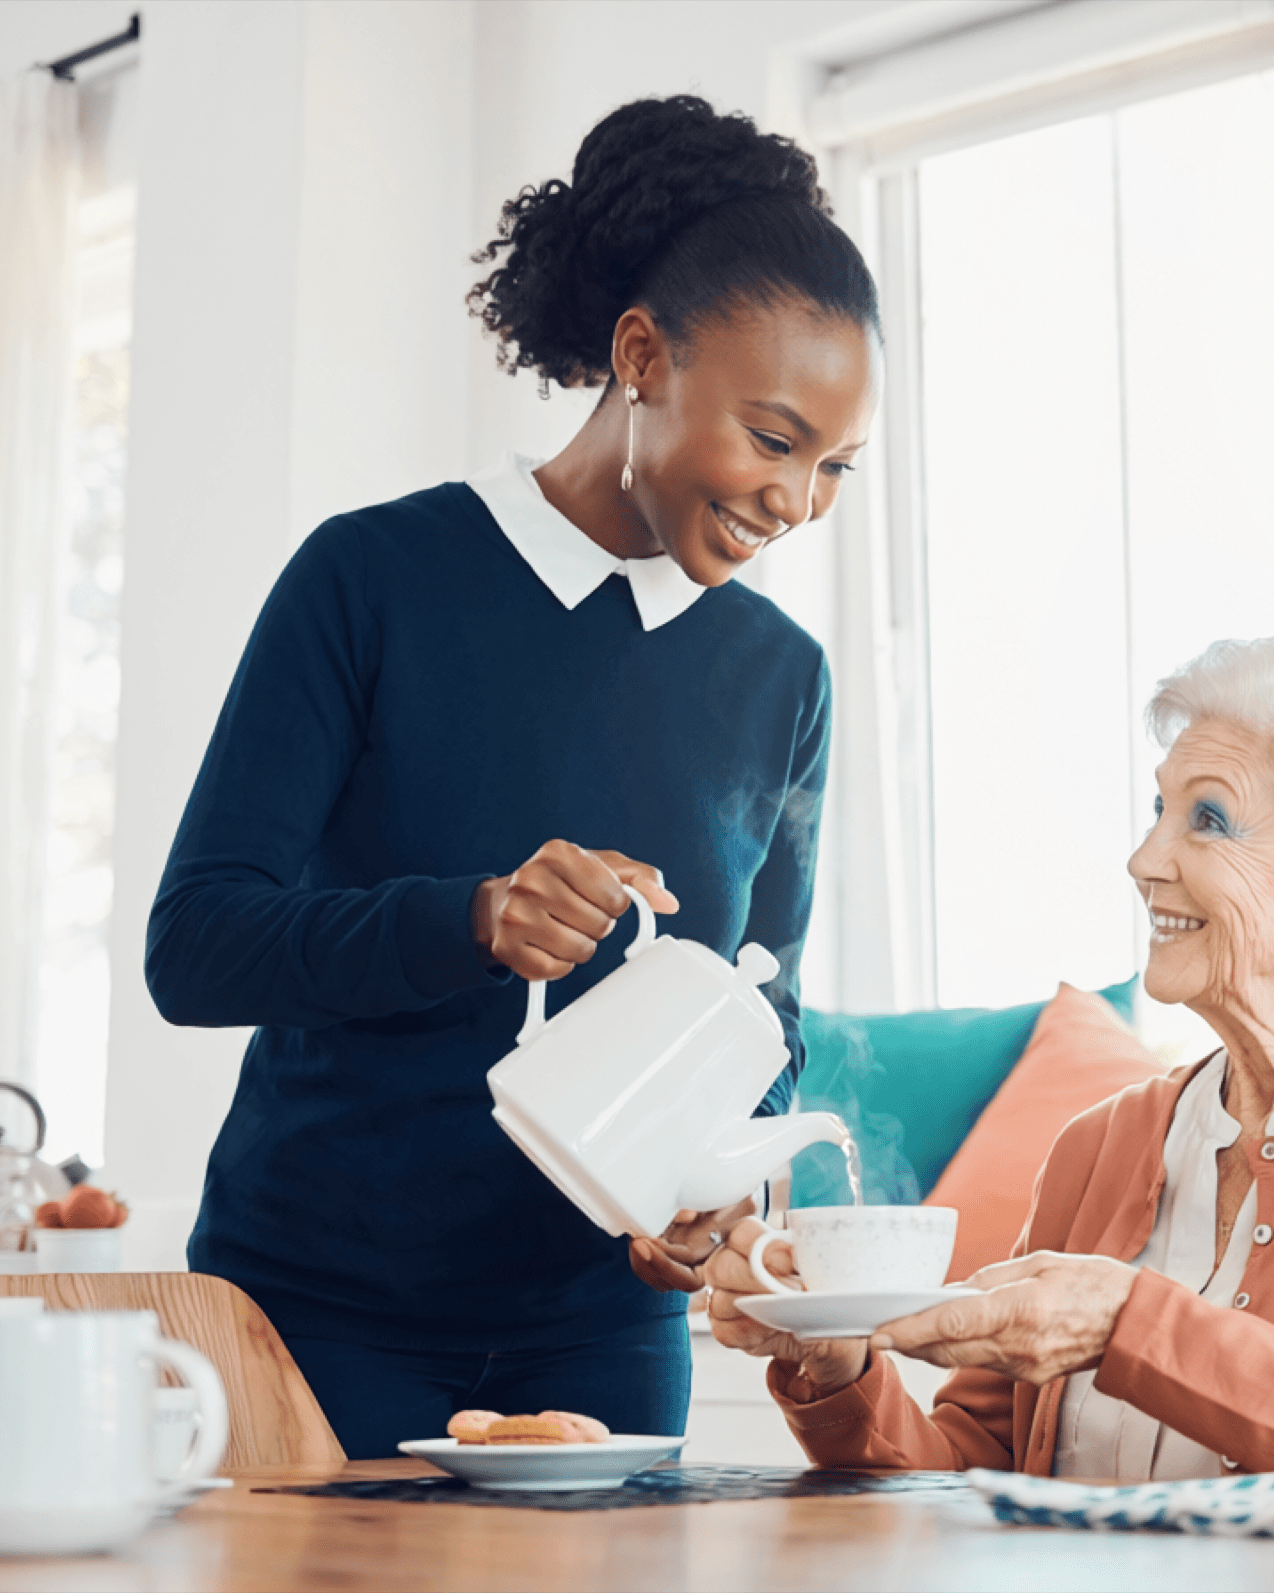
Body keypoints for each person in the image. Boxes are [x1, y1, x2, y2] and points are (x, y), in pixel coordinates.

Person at [146, 96, 880, 1458]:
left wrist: (710, 1200)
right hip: (308, 1310)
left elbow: (761, 1012)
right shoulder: (369, 581)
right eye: (775, 441)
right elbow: (195, 947)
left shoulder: (784, 679)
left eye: (836, 467)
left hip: (599, 1333)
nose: (798, 502)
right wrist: (471, 919)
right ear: (643, 355)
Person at [704, 637, 1274, 1477]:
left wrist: (1125, 1324)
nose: (1143, 859)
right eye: (1157, 809)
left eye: (1209, 819)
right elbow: (964, 1469)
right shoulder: (1103, 1145)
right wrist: (836, 1363)